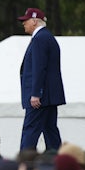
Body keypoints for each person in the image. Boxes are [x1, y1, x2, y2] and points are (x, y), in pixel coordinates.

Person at [18, 8, 66, 151]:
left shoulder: (39, 39)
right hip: (49, 96)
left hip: (40, 97)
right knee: (50, 129)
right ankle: (57, 160)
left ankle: (24, 162)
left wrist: (36, 93)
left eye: (25, 21)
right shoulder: (47, 37)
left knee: (30, 130)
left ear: (34, 21)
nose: (23, 24)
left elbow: (39, 68)